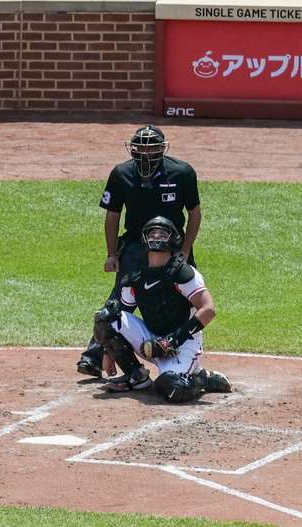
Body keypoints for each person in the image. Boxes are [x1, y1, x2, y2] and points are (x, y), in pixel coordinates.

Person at [77, 125, 203, 379]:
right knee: (117, 302)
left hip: (172, 247)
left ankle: (185, 353)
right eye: (141, 147)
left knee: (185, 298)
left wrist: (186, 250)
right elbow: (112, 216)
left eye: (152, 147)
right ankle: (94, 355)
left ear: (162, 148)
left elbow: (194, 213)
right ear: (133, 149)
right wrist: (112, 254)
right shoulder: (122, 173)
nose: (146, 152)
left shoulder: (182, 172)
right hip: (135, 246)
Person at [92, 216, 230, 402]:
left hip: (183, 344)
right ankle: (136, 376)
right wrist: (109, 352)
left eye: (162, 233)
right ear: (144, 239)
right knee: (105, 318)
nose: (157, 236)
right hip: (151, 341)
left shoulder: (182, 273)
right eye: (153, 233)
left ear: (172, 239)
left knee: (172, 388)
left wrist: (174, 340)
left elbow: (209, 309)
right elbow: (121, 315)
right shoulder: (136, 276)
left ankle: (200, 378)